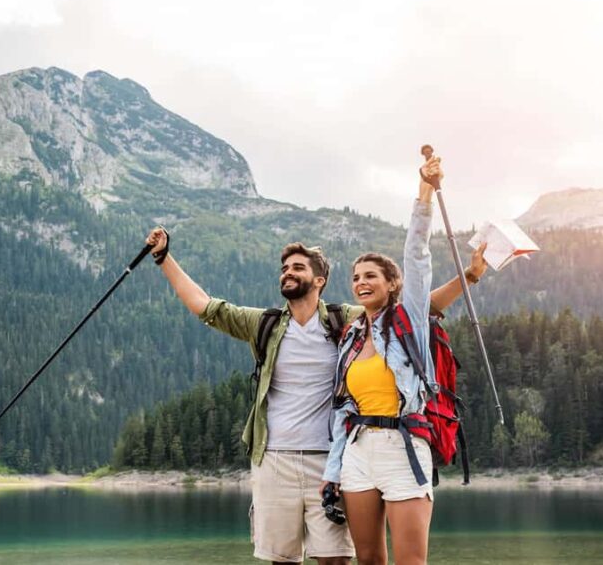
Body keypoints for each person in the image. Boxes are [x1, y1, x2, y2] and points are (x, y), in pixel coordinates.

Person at [144, 167, 485, 565]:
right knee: (287, 559)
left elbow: (421, 305)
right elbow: (206, 307)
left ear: (319, 280)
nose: (288, 273)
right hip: (281, 459)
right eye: (284, 268)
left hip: (336, 456)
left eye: (298, 268)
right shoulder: (268, 325)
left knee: (337, 559)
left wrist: (471, 274)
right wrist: (164, 258)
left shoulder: (351, 320)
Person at [319, 154, 446, 565]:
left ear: (392, 284)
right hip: (359, 452)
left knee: (410, 562)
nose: (361, 283)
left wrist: (424, 192)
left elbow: (417, 255)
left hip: (403, 446)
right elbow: (343, 411)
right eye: (356, 278)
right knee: (368, 559)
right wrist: (333, 472)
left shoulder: (409, 319)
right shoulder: (352, 337)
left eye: (371, 275)